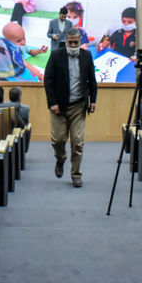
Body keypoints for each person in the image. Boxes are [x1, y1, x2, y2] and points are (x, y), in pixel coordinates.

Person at [43, 28, 97, 187]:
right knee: (58, 140)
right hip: (58, 107)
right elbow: (48, 80)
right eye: (70, 42)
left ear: (80, 42)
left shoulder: (87, 55)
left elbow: (92, 80)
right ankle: (60, 159)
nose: (73, 45)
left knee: (78, 142)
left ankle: (76, 174)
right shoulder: (56, 55)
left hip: (78, 106)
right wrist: (52, 103)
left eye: (76, 42)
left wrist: (93, 100)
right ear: (65, 41)